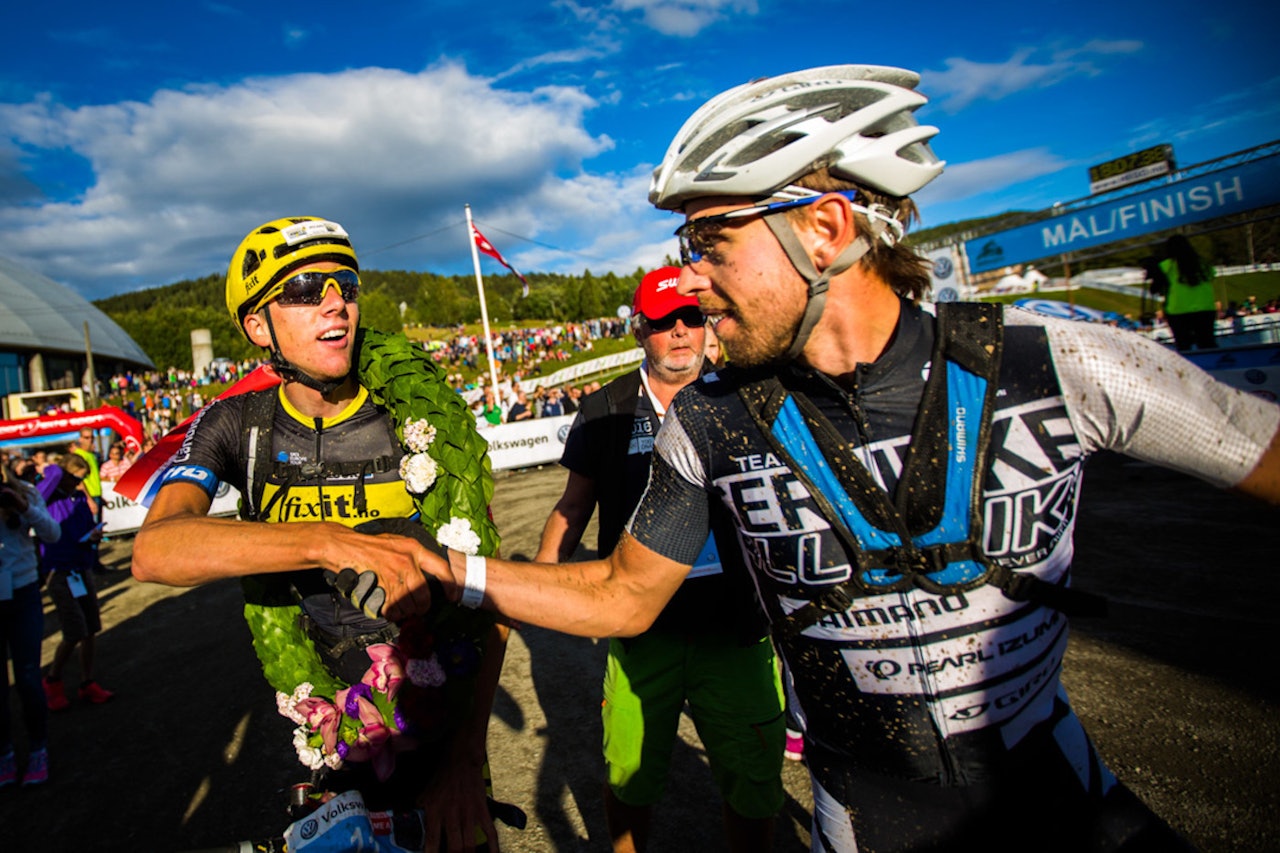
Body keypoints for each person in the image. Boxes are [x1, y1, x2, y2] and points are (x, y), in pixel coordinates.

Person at [415, 66, 1280, 852]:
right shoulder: (708, 422)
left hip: (1061, 802)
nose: (693, 280)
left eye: (710, 244)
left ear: (823, 227)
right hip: (863, 822)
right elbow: (622, 595)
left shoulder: (1056, 362)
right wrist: (436, 566)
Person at [132, 217, 513, 849]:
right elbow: (155, 549)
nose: (335, 301)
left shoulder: (419, 407)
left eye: (346, 284)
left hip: (442, 716)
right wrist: (327, 540)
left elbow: (492, 595)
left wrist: (464, 764)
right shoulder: (234, 424)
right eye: (306, 288)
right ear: (258, 326)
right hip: (326, 725)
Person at [535, 267, 784, 853]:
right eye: (662, 322)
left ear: (707, 323)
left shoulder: (746, 396)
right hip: (642, 632)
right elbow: (572, 507)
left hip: (737, 629)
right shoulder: (604, 408)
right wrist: (539, 582)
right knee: (629, 779)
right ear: (638, 331)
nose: (679, 332)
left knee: (753, 782)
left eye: (691, 318)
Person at [0, 456, 60, 786]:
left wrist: (22, 507)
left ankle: (38, 747)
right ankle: (5, 751)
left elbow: (52, 533)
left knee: (26, 676)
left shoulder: (23, 491)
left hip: (22, 593)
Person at [38, 454, 114, 710]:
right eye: (74, 477)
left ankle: (87, 682)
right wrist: (56, 470)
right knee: (74, 630)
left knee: (91, 628)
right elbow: (48, 483)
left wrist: (93, 536)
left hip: (81, 570)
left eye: (81, 479)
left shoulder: (79, 498)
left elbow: (83, 529)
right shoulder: (48, 496)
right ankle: (52, 680)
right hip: (59, 572)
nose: (77, 483)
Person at [1160, 234, 1219, 351]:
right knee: (1207, 344)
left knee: (1183, 346)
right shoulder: (1204, 264)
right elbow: (1212, 276)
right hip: (1205, 308)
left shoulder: (1165, 266)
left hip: (1178, 310)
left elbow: (1161, 287)